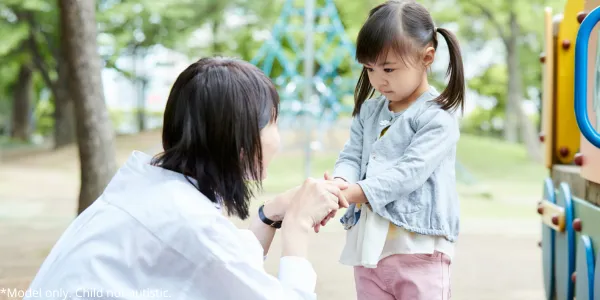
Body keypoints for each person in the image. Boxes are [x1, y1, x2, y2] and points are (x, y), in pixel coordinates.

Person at [23, 57, 349, 300]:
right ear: (240, 140)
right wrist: (297, 227)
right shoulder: (188, 224)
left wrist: (270, 215)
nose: (279, 136)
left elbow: (220, 267)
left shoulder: (154, 192)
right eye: (274, 123)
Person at [327, 1, 464, 299]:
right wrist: (340, 182)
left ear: (427, 57)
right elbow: (351, 155)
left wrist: (355, 193)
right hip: (369, 251)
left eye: (389, 68)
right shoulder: (369, 111)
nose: (378, 79)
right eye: (369, 68)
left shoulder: (437, 116)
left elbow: (410, 172)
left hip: (420, 250)